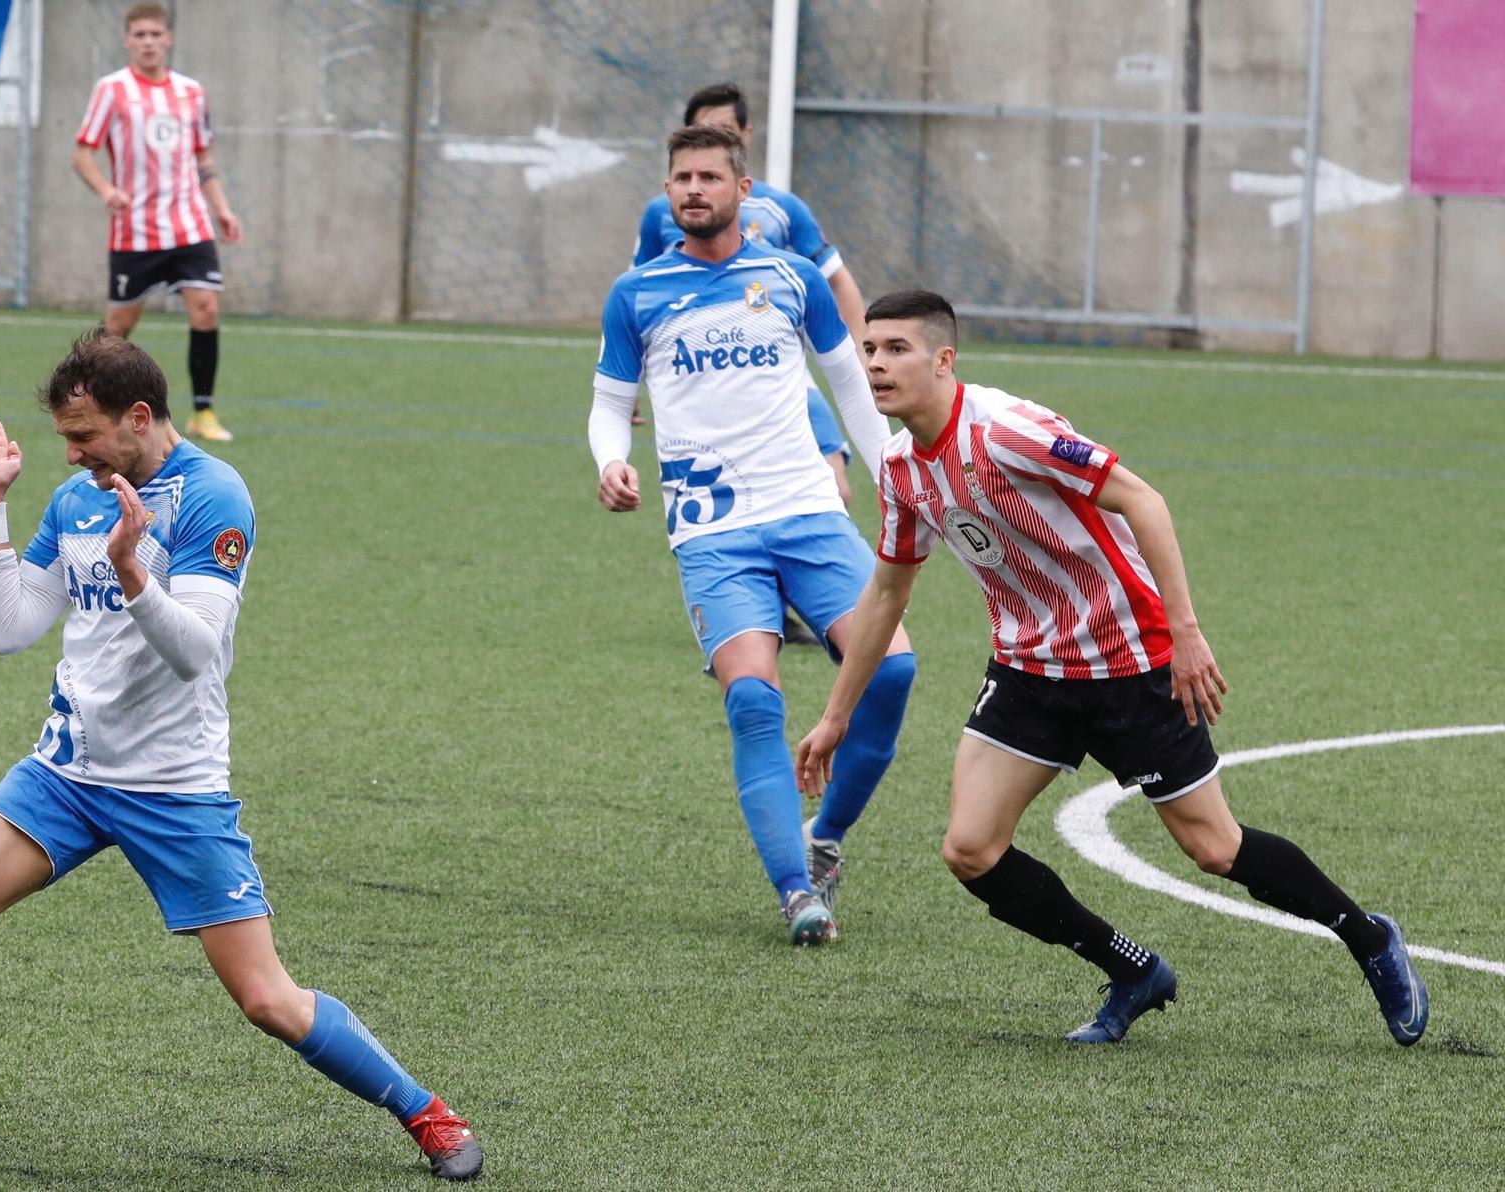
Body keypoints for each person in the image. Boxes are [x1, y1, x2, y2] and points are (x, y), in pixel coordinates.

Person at [0, 330, 483, 1181]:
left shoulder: (215, 498)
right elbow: (13, 628)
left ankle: (428, 1114)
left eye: (84, 437)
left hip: (173, 787)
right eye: (65, 440)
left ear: (138, 418)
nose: (70, 455)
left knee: (267, 1000)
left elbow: (196, 652)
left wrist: (133, 572)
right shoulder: (77, 498)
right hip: (67, 774)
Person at [796, 290, 1429, 1045]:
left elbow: (1143, 500)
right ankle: (1132, 970)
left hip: (1130, 663)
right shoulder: (901, 468)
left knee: (1214, 848)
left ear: (943, 359)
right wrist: (836, 714)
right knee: (970, 849)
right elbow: (887, 592)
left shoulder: (1009, 432)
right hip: (1029, 672)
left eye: (896, 349)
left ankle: (1367, 936)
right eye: (869, 350)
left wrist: (1185, 633)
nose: (876, 364)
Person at [591, 125, 917, 945]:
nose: (692, 189)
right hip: (711, 528)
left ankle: (826, 834)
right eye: (680, 178)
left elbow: (851, 387)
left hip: (809, 510)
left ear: (744, 190)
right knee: (751, 699)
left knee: (894, 670)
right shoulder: (638, 292)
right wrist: (611, 458)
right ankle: (795, 890)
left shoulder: (791, 277)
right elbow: (609, 402)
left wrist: (902, 483)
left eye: (708, 176)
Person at [635, 82, 865, 648]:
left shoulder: (784, 210)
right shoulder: (660, 216)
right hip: (706, 378)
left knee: (835, 487)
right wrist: (632, 388)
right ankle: (760, 603)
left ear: (745, 139)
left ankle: (814, 591)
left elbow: (837, 279)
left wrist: (865, 350)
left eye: (726, 131)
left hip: (787, 379)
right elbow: (639, 298)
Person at [73, 3, 242, 443]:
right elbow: (83, 152)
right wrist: (107, 190)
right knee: (119, 327)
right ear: (128, 40)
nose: (148, 42)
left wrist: (221, 208)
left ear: (168, 39)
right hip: (137, 230)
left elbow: (203, 156)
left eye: (156, 34)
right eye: (140, 35)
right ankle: (92, 404)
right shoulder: (112, 90)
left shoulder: (191, 92)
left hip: (190, 225)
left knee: (206, 308)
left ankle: (202, 410)